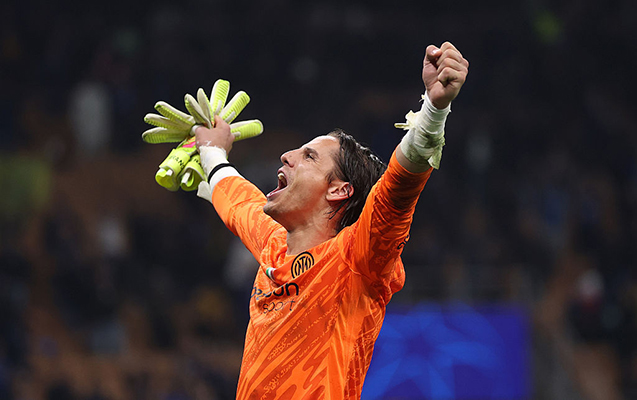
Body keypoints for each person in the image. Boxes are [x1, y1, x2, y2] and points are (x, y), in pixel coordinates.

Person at [194, 42, 469, 399]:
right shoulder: (274, 246)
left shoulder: (357, 258)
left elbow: (398, 188)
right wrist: (211, 150)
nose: (286, 155)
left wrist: (433, 110)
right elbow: (239, 202)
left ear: (339, 190)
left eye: (308, 157)